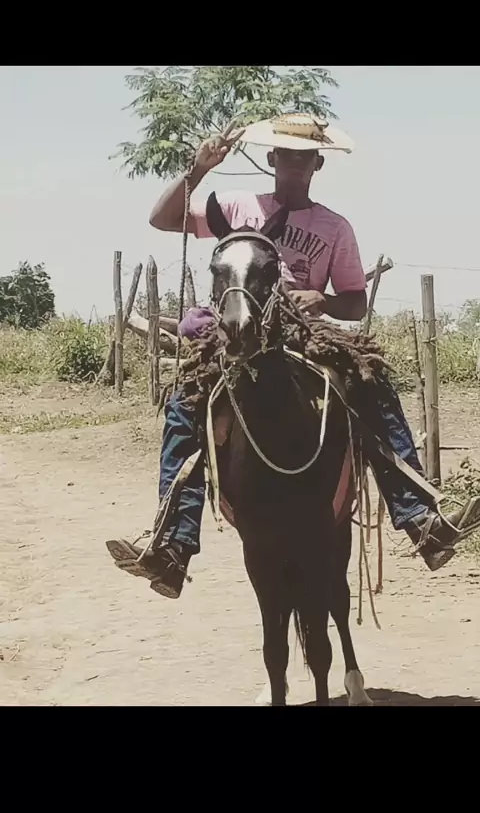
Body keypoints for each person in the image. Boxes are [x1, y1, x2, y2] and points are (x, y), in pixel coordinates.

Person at [106, 113, 480, 598]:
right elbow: (162, 219)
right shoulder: (237, 206)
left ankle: (420, 520)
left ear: (317, 164)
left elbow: (354, 302)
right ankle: (173, 545)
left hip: (305, 333)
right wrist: (198, 169)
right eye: (287, 155)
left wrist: (321, 299)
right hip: (236, 331)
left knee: (374, 387)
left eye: (305, 156)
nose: (295, 163)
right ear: (272, 159)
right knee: (184, 404)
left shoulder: (335, 227)